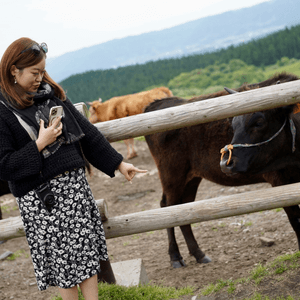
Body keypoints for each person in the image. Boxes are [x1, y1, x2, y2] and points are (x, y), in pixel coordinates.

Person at [0, 37, 147, 300]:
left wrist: (118, 163)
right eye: (35, 73)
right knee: (64, 265)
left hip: (74, 190)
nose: (40, 78)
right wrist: (39, 144)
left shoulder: (49, 94)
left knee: (86, 258)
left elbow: (87, 133)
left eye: (42, 71)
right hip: (42, 200)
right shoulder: (1, 112)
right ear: (14, 70)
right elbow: (5, 166)